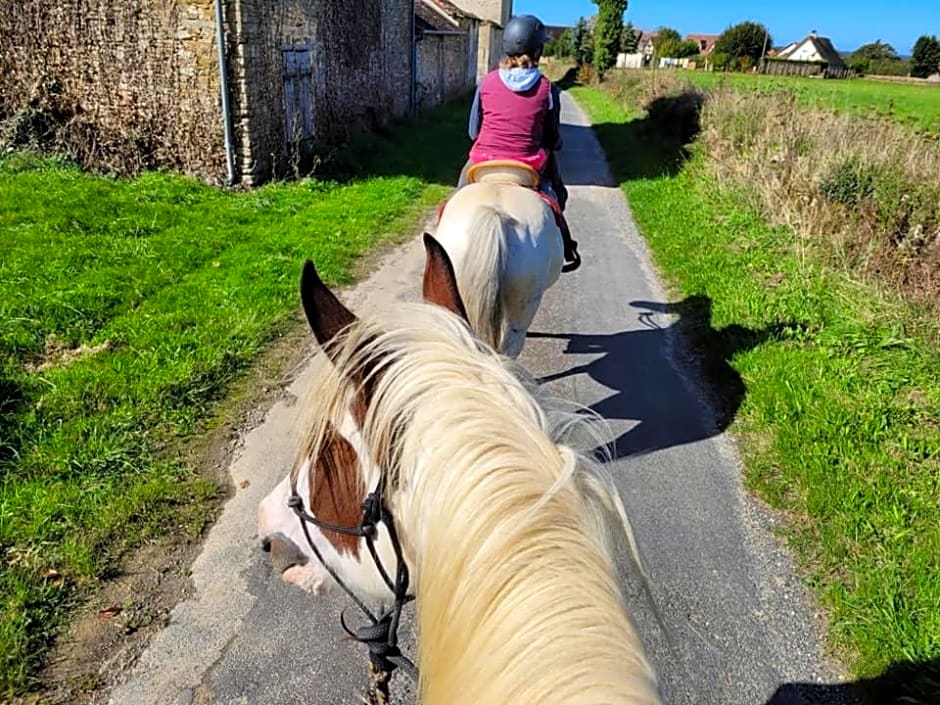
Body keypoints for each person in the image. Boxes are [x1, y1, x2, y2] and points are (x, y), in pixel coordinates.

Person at [457, 14, 580, 272]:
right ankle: (565, 242)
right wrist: (552, 143)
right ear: (538, 50)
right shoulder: (547, 89)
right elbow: (552, 138)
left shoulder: (486, 82)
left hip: (484, 162)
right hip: (526, 165)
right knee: (554, 195)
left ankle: (440, 232)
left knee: (457, 196)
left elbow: (472, 132)